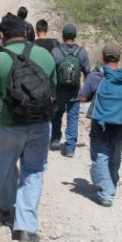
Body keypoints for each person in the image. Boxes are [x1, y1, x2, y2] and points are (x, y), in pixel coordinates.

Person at [0, 14, 56, 242]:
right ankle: (26, 228)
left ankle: (3, 205)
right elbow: (53, 86)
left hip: (11, 125)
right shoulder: (45, 55)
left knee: (6, 165)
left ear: (2, 35)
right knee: (34, 171)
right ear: (26, 31)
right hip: (40, 124)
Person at [78, 43, 122, 206]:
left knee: (100, 156)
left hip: (101, 124)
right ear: (120, 58)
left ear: (102, 57)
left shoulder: (96, 76)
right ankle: (112, 182)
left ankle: (107, 192)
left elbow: (82, 98)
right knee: (115, 153)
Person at [50, 23, 92, 157]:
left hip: (59, 92)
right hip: (74, 92)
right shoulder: (82, 53)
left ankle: (55, 140)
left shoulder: (56, 51)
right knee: (73, 118)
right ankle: (70, 148)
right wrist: (86, 92)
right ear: (75, 36)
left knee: (57, 115)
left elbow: (51, 73)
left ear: (63, 36)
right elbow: (87, 74)